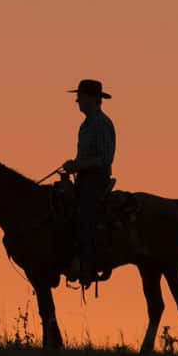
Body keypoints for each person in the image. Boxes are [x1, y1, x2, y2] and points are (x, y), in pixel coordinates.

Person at [61, 79, 116, 287]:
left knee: (84, 214)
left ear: (93, 99)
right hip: (84, 178)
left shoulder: (101, 124)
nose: (77, 101)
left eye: (81, 97)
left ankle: (88, 264)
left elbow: (103, 159)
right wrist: (75, 166)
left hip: (96, 180)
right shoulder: (85, 126)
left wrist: (78, 165)